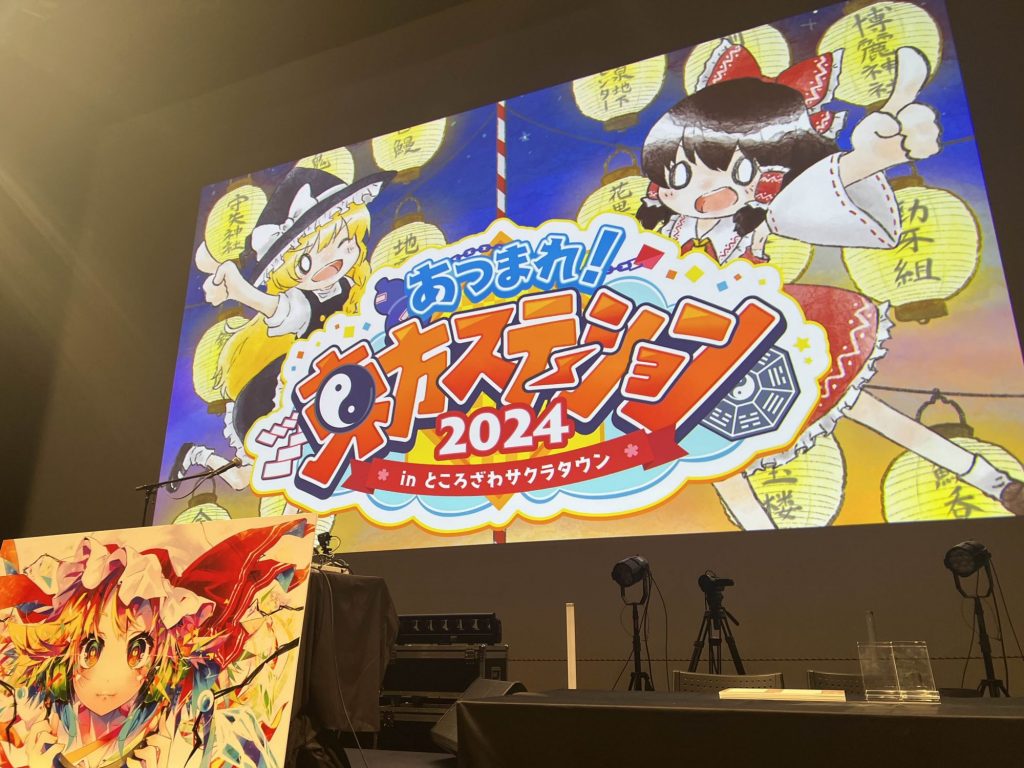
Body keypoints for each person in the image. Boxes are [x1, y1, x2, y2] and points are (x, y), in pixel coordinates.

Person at [636, 42, 1023, 528]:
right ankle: (763, 543)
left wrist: (876, 155)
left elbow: (818, 186)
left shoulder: (761, 216)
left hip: (762, 342)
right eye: (679, 172)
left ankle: (990, 479)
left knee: (864, 408)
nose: (704, 191)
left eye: (737, 171)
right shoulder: (662, 233)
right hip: (685, 358)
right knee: (716, 460)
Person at [0, 518, 312, 768]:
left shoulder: (211, 732)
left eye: (138, 649)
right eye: (90, 649)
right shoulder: (36, 720)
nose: (107, 678)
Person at [169, 167, 391, 495]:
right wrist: (239, 291)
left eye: (347, 244)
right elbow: (278, 308)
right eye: (308, 260)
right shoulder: (302, 302)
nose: (334, 260)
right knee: (265, 477)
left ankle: (197, 454)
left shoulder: (354, 289)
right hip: (279, 397)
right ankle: (198, 455)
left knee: (254, 477)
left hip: (328, 390)